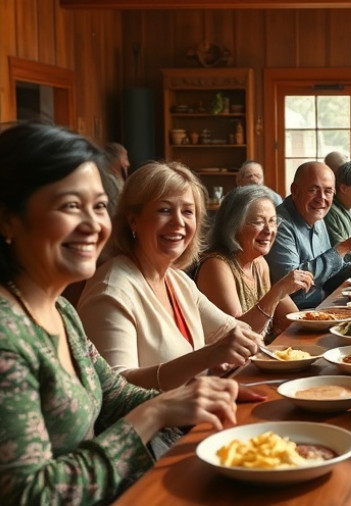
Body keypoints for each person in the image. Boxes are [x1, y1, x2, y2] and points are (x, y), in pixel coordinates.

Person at [0, 123, 238, 503]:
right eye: (70, 206)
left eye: (98, 206)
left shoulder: (60, 309)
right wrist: (154, 414)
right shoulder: (7, 336)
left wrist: (193, 397)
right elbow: (30, 495)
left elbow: (114, 395)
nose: (93, 225)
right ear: (8, 219)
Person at [78, 161, 265, 392]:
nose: (179, 222)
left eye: (188, 211)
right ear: (133, 220)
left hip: (191, 415)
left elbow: (235, 331)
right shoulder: (111, 291)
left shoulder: (177, 280)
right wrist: (207, 358)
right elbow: (117, 390)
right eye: (164, 210)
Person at [195, 185, 314, 339]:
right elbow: (237, 335)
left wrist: (282, 293)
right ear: (233, 226)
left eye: (272, 221)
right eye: (258, 222)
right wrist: (278, 291)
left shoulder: (259, 263)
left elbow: (294, 320)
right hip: (234, 362)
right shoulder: (216, 266)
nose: (269, 230)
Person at [266, 161, 351, 308]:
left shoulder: (317, 217)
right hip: (299, 314)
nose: (321, 198)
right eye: (313, 190)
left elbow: (326, 273)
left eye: (328, 191)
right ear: (295, 190)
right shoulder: (279, 225)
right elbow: (292, 285)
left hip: (325, 302)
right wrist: (344, 247)